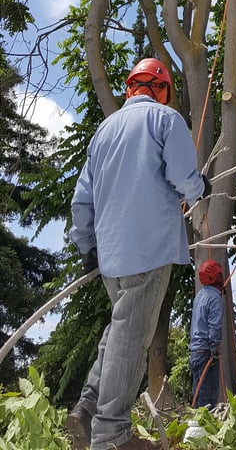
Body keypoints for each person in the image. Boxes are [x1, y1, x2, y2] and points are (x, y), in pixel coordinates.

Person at [65, 58, 211, 450]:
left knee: (119, 330)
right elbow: (183, 177)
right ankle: (111, 435)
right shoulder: (166, 120)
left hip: (111, 254)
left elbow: (82, 200)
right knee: (131, 338)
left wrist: (87, 246)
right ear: (162, 91)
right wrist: (199, 189)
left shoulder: (103, 132)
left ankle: (87, 409)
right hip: (148, 248)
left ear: (131, 89)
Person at [190, 259, 224, 408]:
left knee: (198, 393)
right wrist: (214, 349)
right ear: (216, 277)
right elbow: (214, 327)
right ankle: (204, 428)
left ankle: (197, 426)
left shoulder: (200, 295)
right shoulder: (215, 298)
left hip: (196, 352)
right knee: (207, 396)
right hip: (206, 352)